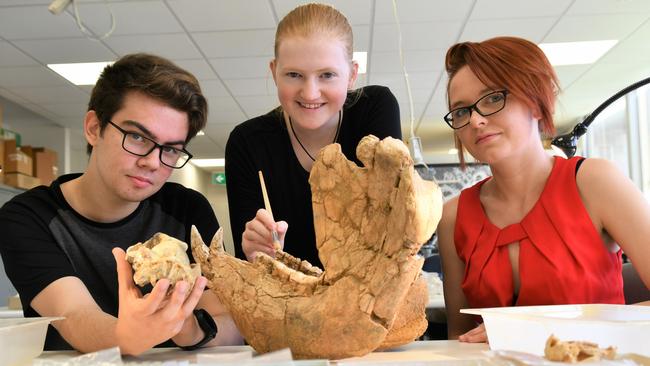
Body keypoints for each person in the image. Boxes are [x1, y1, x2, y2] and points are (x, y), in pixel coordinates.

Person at [0, 53, 242, 355]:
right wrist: (128, 336)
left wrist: (189, 328)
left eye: (170, 149)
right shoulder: (28, 217)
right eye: (138, 137)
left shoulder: (187, 210)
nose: (153, 162)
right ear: (93, 127)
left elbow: (229, 323)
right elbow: (74, 316)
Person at [436, 37, 650, 343]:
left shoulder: (594, 181)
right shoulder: (453, 216)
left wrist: (551, 328)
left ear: (536, 101)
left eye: (492, 98)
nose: (476, 120)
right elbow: (459, 338)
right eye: (461, 112)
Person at [225, 3, 402, 268]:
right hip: (289, 303)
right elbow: (251, 263)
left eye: (327, 75)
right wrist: (255, 252)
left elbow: (393, 217)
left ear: (352, 74)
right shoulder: (247, 142)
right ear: (274, 72)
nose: (310, 93)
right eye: (294, 74)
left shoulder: (375, 108)